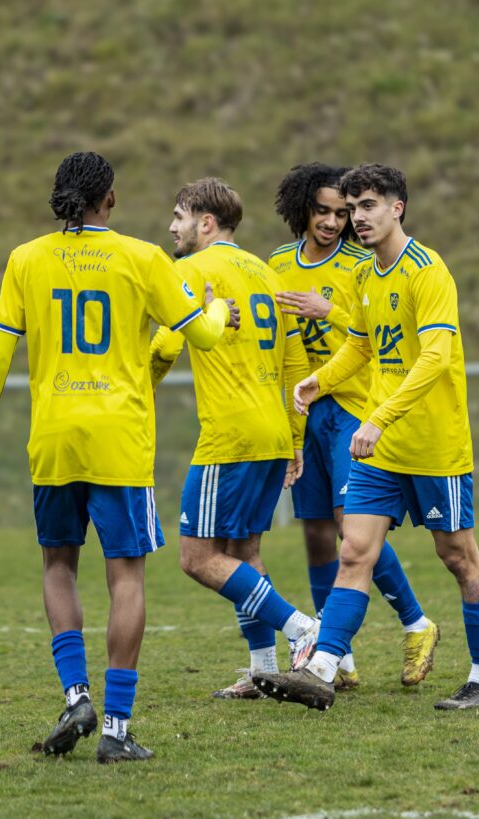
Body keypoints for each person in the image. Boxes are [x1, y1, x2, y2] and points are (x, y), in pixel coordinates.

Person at [0, 152, 237, 763]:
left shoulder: (25, 259)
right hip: (119, 441)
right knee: (126, 576)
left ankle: (75, 696)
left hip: (54, 437)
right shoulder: (143, 257)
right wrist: (218, 308)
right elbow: (206, 336)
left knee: (58, 565)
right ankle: (115, 728)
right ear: (110, 198)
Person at [253, 163, 479, 712]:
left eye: (367, 206)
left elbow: (435, 358)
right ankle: (322, 669)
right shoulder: (366, 275)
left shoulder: (428, 272)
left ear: (397, 208)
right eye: (352, 208)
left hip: (432, 446)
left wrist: (379, 417)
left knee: (458, 556)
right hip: (380, 448)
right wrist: (320, 381)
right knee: (354, 551)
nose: (356, 218)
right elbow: (361, 346)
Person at [149, 177, 320, 699]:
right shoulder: (266, 273)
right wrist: (295, 438)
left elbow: (165, 344)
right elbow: (296, 363)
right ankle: (262, 671)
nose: (171, 227)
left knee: (197, 557)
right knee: (243, 552)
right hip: (271, 430)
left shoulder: (190, 269)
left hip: (231, 435)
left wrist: (137, 389)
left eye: (178, 216)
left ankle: (303, 629)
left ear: (205, 222)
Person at [270, 163, 439, 690]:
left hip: (355, 408)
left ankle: (414, 622)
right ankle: (336, 656)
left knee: (353, 527)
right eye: (323, 211)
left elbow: (369, 341)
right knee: (317, 533)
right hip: (307, 409)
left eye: (341, 214)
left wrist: (329, 311)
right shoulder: (277, 264)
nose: (332, 222)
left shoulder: (362, 263)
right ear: (302, 209)